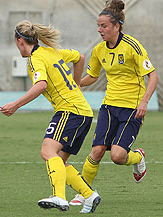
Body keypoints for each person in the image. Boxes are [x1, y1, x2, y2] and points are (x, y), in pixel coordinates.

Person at [0, 20, 101, 213]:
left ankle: (59, 197)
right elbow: (79, 57)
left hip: (69, 111)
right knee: (59, 162)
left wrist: (15, 105)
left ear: (20, 41)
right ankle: (89, 195)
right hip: (83, 113)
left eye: (16, 43)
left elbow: (41, 85)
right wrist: (76, 83)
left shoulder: (36, 58)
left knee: (47, 151)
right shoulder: (51, 52)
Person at [69, 0, 158, 206]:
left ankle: (138, 158)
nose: (99, 30)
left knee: (118, 156)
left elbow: (152, 76)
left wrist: (144, 102)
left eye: (104, 26)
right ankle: (84, 192)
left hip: (132, 109)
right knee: (97, 151)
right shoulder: (99, 50)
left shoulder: (132, 46)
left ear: (116, 26)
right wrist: (74, 85)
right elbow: (92, 75)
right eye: (98, 26)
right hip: (109, 106)